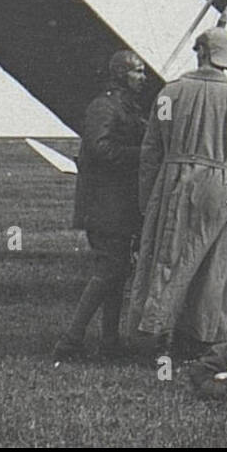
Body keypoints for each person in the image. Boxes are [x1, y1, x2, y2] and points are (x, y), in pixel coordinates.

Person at [127, 27, 227, 359]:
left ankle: (158, 331)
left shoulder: (170, 93)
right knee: (213, 262)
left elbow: (151, 150)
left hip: (174, 179)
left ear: (201, 52)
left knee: (166, 256)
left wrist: (148, 196)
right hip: (222, 186)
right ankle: (203, 337)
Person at [52, 49, 149, 362]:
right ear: (121, 74)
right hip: (105, 203)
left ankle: (109, 341)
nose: (143, 78)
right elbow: (99, 148)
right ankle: (71, 340)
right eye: (137, 72)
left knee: (117, 272)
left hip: (116, 203)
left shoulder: (124, 107)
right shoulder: (104, 107)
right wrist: (143, 154)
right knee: (109, 270)